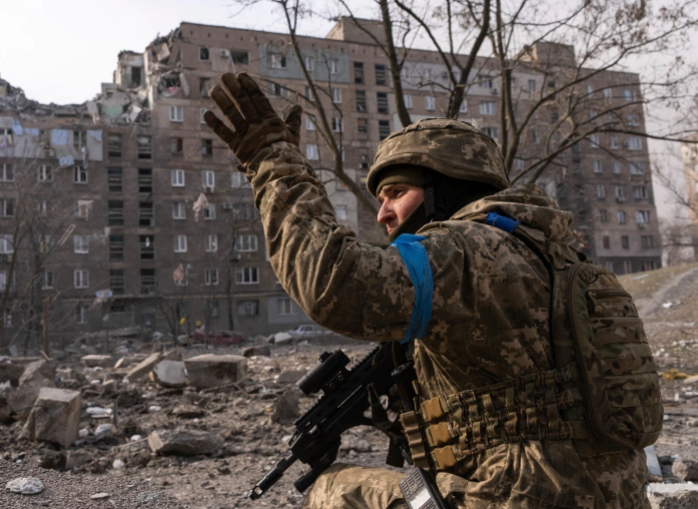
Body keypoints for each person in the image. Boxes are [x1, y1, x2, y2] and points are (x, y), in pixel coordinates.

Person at [204, 72, 655, 509]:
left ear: (447, 189)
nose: (383, 214)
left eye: (396, 193)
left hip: (517, 496)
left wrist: (272, 161)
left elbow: (334, 284)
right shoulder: (561, 257)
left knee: (332, 490)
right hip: (611, 494)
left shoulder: (461, 250)